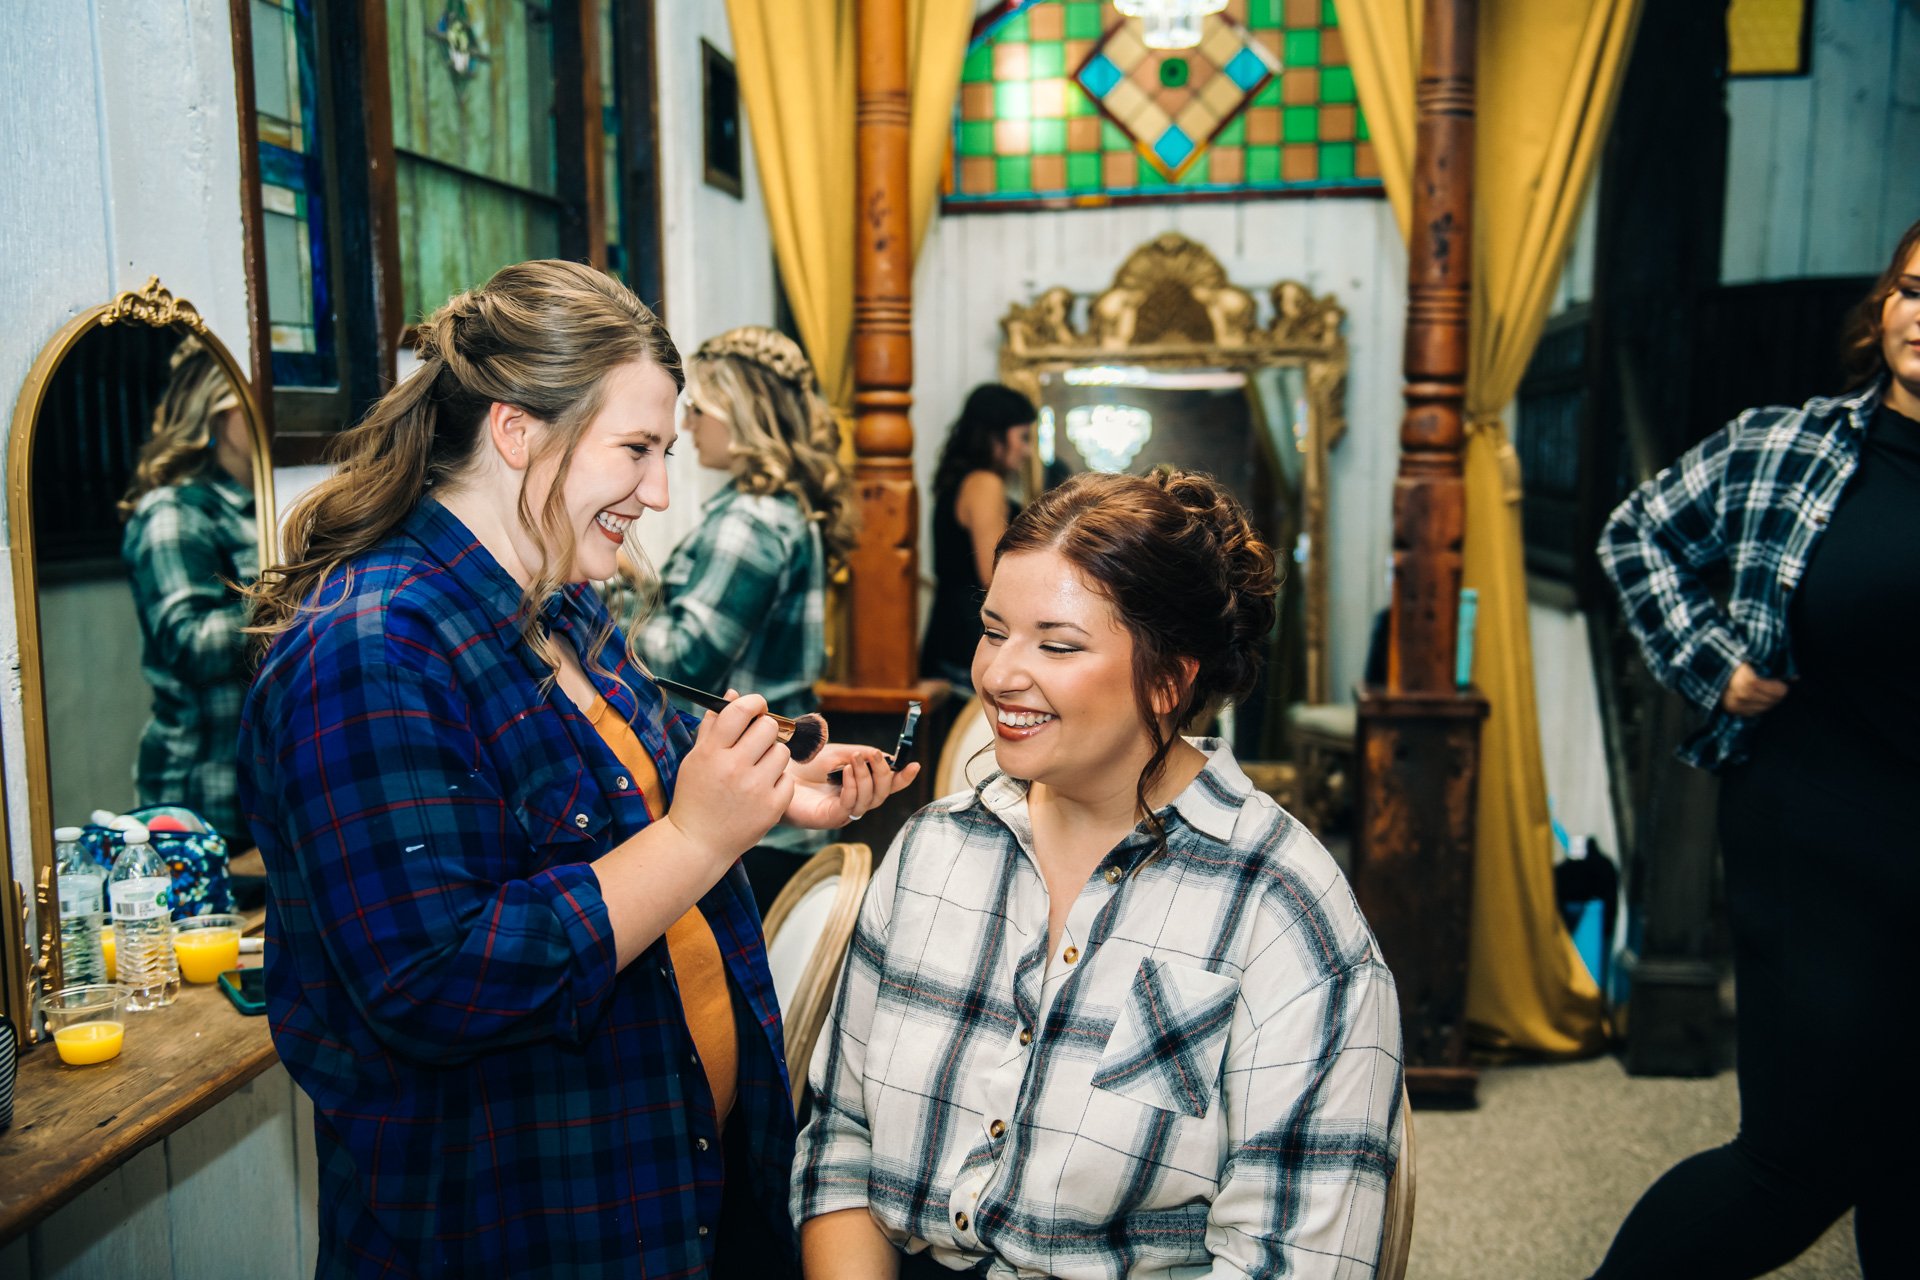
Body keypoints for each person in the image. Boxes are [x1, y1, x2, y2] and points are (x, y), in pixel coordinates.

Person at [238, 261, 915, 1279]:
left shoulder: (563, 607)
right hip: (517, 1230)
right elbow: (437, 978)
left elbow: (623, 799)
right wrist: (700, 835)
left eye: (667, 451)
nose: (659, 492)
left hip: (672, 1199)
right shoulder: (369, 649)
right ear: (518, 430)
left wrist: (767, 791)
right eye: (636, 449)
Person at [795, 468, 1402, 1279]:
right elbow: (842, 1141)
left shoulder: (1283, 910)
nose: (1001, 675)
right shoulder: (933, 851)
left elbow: (1291, 1258)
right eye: (992, 629)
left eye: (1057, 643)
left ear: (1169, 678)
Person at [1591, 217, 1920, 1279]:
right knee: (1794, 1159)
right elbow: (1636, 531)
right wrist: (1709, 660)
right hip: (1813, 827)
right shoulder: (1792, 442)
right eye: (1913, 289)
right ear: (1884, 311)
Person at [634, 326, 857, 911]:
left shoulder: (749, 522)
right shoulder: (782, 508)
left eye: (700, 409)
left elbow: (681, 658)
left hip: (759, 814)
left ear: (742, 416)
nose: (687, 426)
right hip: (779, 793)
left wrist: (612, 599)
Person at [120, 334, 259, 848]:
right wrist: (294, 591)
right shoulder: (175, 513)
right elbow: (188, 643)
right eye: (250, 401)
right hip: (203, 794)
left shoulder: (275, 504)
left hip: (263, 783)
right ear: (219, 416)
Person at [919, 383, 1035, 691]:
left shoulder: (959, 482)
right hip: (967, 637)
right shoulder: (985, 483)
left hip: (947, 632)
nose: (1027, 450)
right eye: (1023, 437)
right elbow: (994, 574)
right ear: (995, 435)